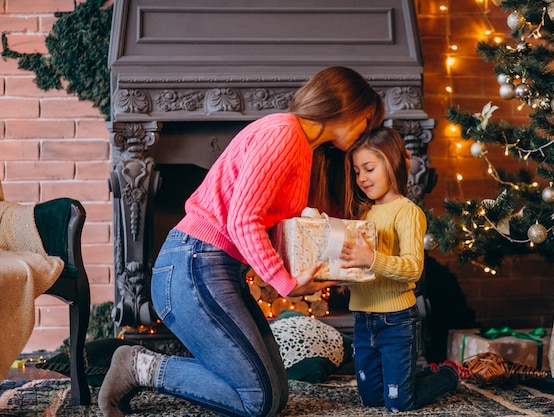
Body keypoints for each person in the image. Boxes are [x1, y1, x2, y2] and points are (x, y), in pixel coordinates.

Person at [97, 66, 385, 417]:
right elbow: (242, 220)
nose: (365, 131)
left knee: (275, 395)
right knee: (257, 400)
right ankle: (137, 365)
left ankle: (151, 367)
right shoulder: (284, 133)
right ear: (345, 106)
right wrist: (285, 283)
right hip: (193, 267)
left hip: (212, 269)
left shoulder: (301, 147)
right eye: (366, 120)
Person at [340, 127, 461, 412]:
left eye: (368, 168)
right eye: (357, 172)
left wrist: (371, 258)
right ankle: (407, 377)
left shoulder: (407, 211)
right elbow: (359, 269)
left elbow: (413, 269)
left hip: (396, 321)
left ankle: (447, 375)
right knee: (371, 399)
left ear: (392, 162)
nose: (362, 178)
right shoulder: (363, 213)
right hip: (362, 319)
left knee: (399, 403)